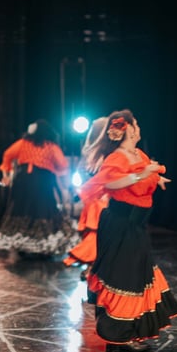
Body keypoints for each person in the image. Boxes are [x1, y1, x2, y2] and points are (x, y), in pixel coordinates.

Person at [79, 109, 177, 351]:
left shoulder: (137, 154)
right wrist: (140, 176)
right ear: (128, 130)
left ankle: (135, 330)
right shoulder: (116, 158)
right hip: (119, 224)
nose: (139, 129)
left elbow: (147, 173)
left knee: (139, 274)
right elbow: (111, 182)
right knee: (125, 277)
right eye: (136, 125)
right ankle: (121, 331)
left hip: (136, 226)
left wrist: (156, 178)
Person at [0, 119, 80, 261]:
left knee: (21, 210)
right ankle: (41, 247)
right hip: (42, 182)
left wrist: (6, 172)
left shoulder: (24, 143)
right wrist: (61, 178)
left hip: (23, 181)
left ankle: (22, 245)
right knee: (43, 212)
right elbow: (62, 165)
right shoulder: (50, 146)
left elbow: (8, 154)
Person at [63, 116, 109, 273]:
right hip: (102, 198)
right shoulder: (108, 152)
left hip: (92, 199)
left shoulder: (89, 151)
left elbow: (81, 174)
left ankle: (93, 267)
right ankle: (95, 267)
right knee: (99, 233)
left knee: (94, 232)